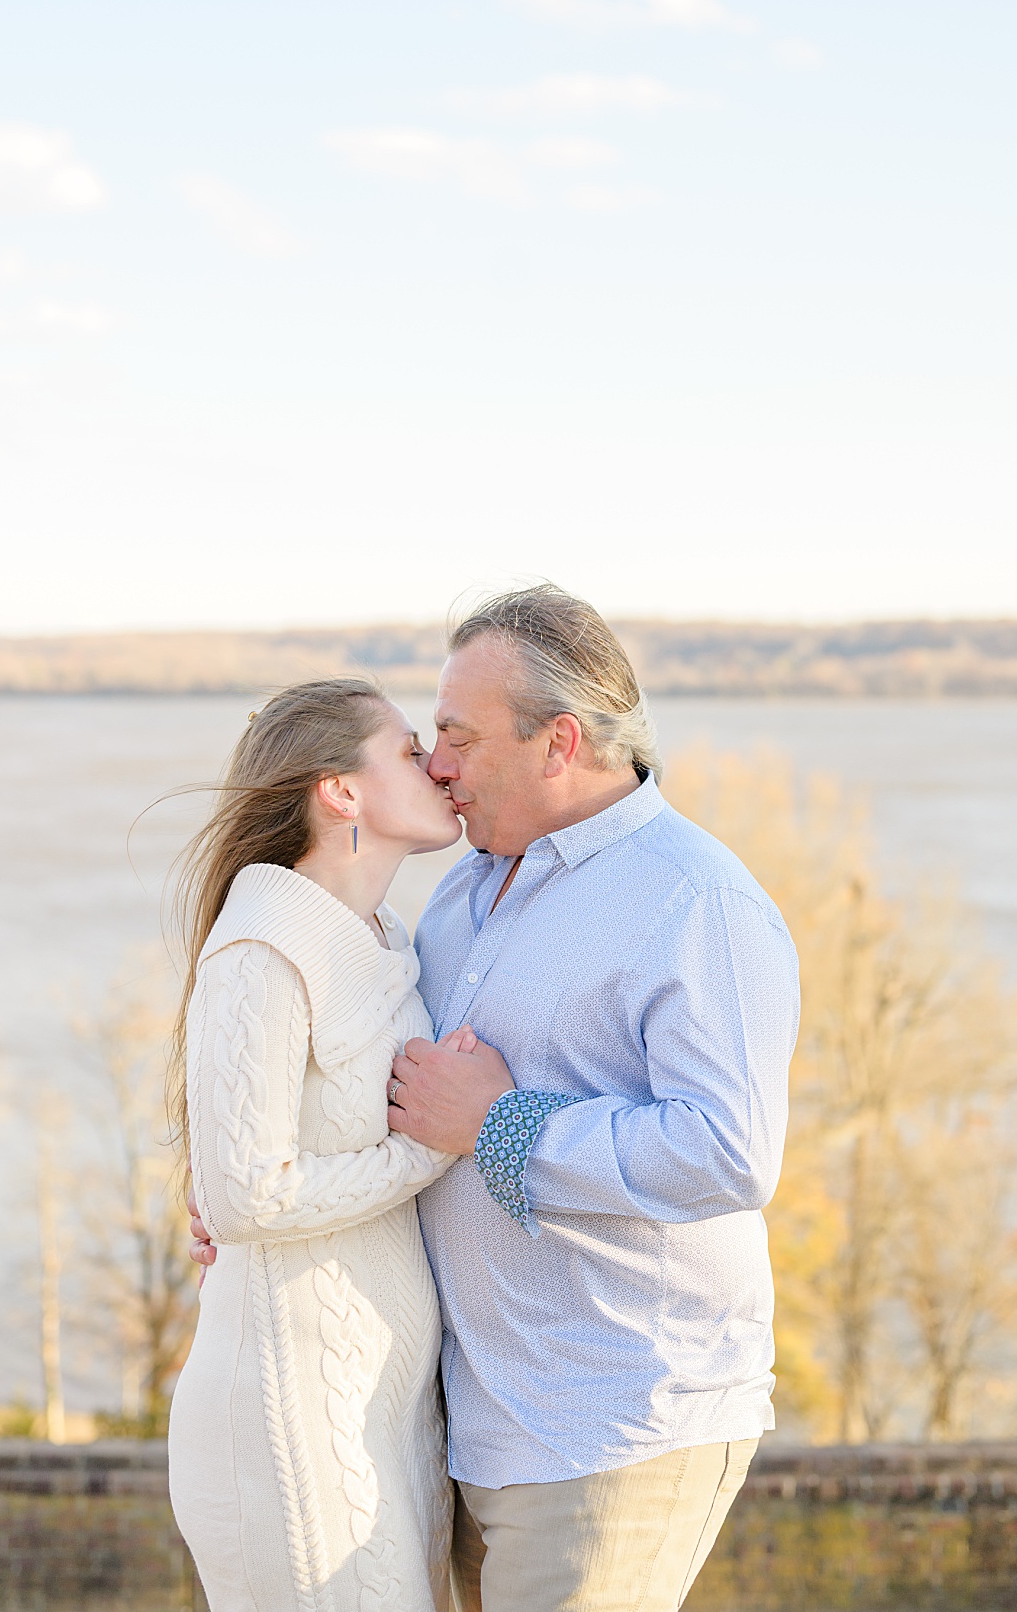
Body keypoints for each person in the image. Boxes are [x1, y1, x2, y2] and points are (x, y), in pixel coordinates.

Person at [193, 584, 800, 1611]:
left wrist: (501, 1125)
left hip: (612, 1422)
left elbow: (731, 1153)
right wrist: (254, 1204)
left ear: (559, 741)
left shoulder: (697, 900)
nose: (437, 763)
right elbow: (380, 1099)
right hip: (464, 1419)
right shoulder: (464, 894)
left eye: (459, 738)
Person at [169, 678, 504, 1612]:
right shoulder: (266, 948)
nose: (437, 764)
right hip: (289, 1416)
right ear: (339, 792)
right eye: (406, 749)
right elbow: (244, 1197)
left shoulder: (385, 936)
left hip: (383, 1407)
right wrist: (438, 1145)